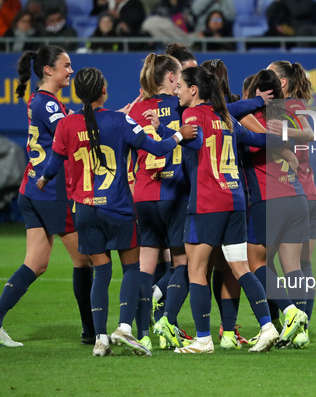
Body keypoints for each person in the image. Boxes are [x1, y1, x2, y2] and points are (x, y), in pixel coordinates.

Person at [36, 66, 197, 356]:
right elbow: (158, 149)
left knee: (101, 273)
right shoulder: (119, 121)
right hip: (118, 208)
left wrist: (44, 179)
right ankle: (124, 327)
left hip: (84, 210)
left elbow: (53, 163)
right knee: (131, 269)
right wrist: (179, 136)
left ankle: (100, 338)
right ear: (103, 91)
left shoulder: (66, 125)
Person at [0, 45, 94, 348]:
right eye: (66, 65)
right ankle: (90, 331)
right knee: (84, 260)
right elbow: (72, 133)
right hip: (51, 193)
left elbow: (73, 122)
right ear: (49, 70)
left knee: (37, 262)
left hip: (31, 189)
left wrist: (111, 115)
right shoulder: (49, 104)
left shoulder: (42, 101)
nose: (71, 70)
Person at [173, 66, 280, 353]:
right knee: (240, 267)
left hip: (207, 202)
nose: (176, 90)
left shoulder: (191, 115)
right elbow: (259, 140)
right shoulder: (225, 117)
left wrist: (175, 136)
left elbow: (194, 140)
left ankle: (204, 339)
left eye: (181, 85)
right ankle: (268, 327)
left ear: (194, 90)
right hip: (235, 201)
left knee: (196, 270)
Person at [128, 53, 197, 351]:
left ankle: (140, 332)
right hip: (175, 193)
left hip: (143, 193)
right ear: (171, 77)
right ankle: (164, 315)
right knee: (184, 262)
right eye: (179, 76)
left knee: (144, 266)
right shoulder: (182, 107)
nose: (181, 82)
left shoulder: (135, 108)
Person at [267, 60, 316, 349]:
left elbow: (310, 133)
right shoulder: (283, 107)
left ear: (283, 82)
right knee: (298, 264)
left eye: (271, 74)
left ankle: (293, 323)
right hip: (307, 194)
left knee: (267, 262)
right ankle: (296, 323)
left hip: (293, 192)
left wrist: (283, 133)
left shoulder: (290, 107)